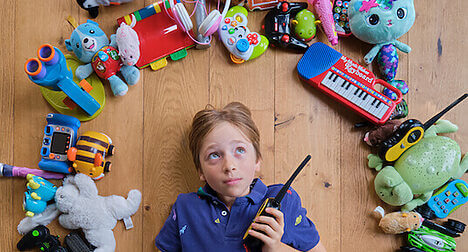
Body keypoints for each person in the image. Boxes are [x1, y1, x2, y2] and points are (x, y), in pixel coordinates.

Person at [155, 102, 326, 252]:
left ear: (257, 159)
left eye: (240, 150)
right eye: (214, 155)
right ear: (201, 171)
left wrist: (276, 248)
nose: (229, 166)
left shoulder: (283, 201)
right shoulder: (186, 207)